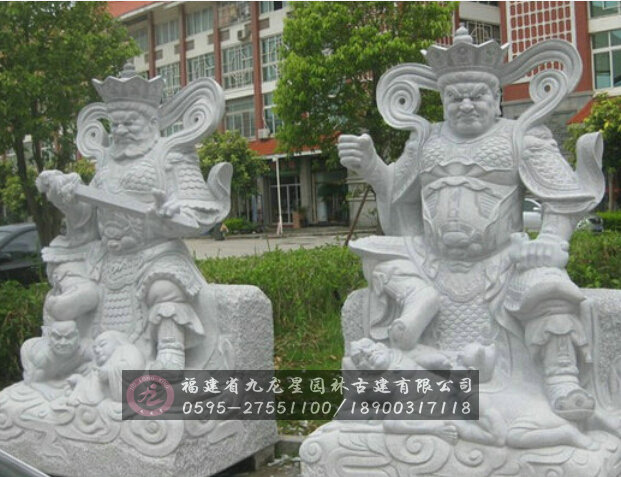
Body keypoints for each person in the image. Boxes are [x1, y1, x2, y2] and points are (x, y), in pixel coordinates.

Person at [338, 26, 605, 446]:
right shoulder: (424, 141)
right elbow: (399, 206)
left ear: (496, 97)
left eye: (476, 95)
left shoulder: (522, 137)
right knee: (381, 259)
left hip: (502, 263)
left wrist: (550, 243)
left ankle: (561, 380)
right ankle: (413, 332)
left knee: (547, 284)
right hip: (432, 261)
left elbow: (562, 199)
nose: (465, 104)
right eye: (454, 97)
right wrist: (372, 167)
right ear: (442, 101)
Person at [36, 64, 232, 370]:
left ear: (152, 122)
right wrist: (66, 198)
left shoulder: (171, 155)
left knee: (165, 284)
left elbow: (200, 208)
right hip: (107, 258)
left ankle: (170, 351)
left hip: (154, 253)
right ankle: (68, 352)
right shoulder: (105, 163)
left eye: (129, 122)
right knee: (68, 272)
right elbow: (88, 219)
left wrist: (174, 212)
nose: (120, 130)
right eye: (115, 124)